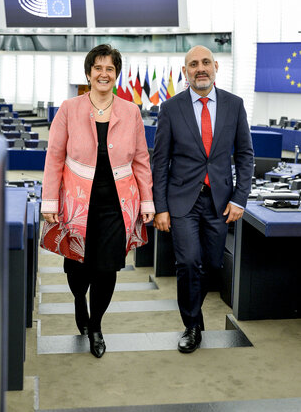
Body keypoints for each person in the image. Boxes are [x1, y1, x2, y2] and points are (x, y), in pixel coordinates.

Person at [41, 44, 155, 358]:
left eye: (110, 69)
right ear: (89, 73)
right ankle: (79, 300)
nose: (103, 74)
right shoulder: (69, 108)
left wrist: (148, 202)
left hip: (117, 206)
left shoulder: (131, 111)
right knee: (77, 270)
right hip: (77, 203)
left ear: (116, 75)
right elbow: (54, 158)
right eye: (98, 68)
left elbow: (142, 161)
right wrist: (49, 201)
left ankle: (97, 326)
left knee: (107, 269)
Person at [152, 45, 253, 354]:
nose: (200, 68)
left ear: (216, 66)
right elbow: (160, 161)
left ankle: (194, 312)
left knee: (210, 263)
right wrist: (161, 208)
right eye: (193, 64)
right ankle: (192, 324)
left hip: (220, 202)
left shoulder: (235, 106)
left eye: (205, 62)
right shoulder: (171, 108)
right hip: (182, 200)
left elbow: (246, 156)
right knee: (188, 262)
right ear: (185, 71)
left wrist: (239, 199)